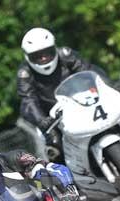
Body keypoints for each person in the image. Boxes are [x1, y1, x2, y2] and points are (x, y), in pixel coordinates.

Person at [17, 27, 99, 162]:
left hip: (82, 104)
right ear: (28, 56)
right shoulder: (24, 73)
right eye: (37, 56)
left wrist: (109, 86)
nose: (43, 58)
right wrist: (41, 120)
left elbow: (89, 71)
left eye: (47, 52)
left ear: (54, 48)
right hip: (51, 118)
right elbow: (27, 100)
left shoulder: (66, 55)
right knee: (54, 148)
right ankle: (67, 180)